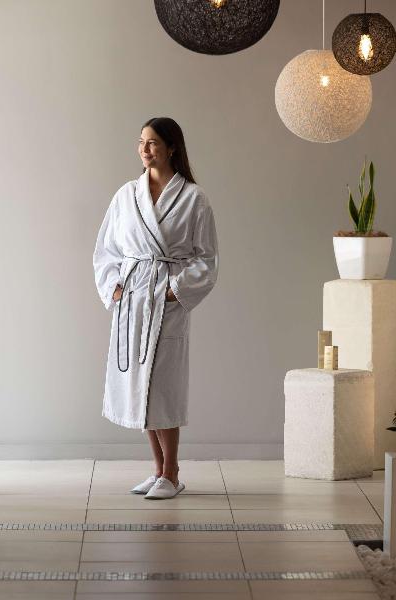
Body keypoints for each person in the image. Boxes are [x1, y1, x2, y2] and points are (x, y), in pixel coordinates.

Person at [93, 117, 219, 500]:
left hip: (166, 300)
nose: (144, 149)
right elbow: (106, 249)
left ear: (171, 148)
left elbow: (207, 258)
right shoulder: (126, 195)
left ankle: (172, 472)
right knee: (139, 384)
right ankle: (158, 470)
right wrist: (115, 288)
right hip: (133, 299)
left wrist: (175, 290)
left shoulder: (194, 198)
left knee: (163, 386)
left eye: (152, 143)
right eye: (141, 142)